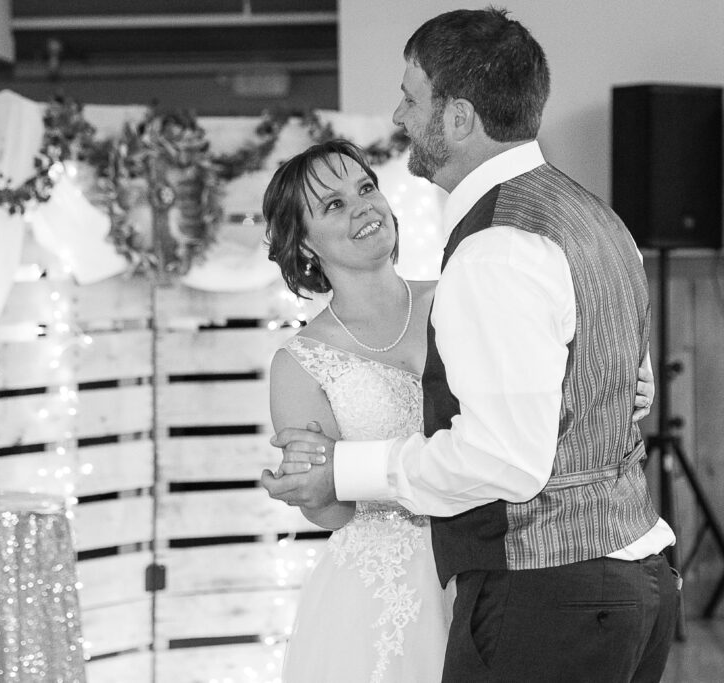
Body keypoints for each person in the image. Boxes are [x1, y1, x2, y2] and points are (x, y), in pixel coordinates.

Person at [263, 8, 678, 683]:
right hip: (620, 574)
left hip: (551, 588)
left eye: (411, 96)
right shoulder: (592, 215)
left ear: (457, 118)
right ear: (303, 242)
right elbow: (606, 375)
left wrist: (344, 468)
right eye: (332, 205)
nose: (398, 115)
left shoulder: (489, 254)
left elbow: (504, 458)